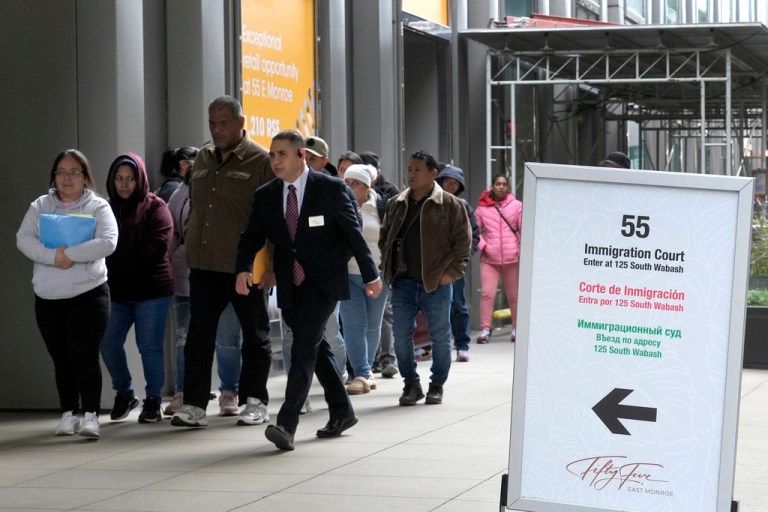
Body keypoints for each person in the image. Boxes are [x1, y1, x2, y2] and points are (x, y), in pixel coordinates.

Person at [235, 130, 383, 451]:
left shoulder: (330, 189)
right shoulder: (267, 194)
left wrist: (370, 275)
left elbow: (353, 235)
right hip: (290, 283)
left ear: (301, 155)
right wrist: (244, 267)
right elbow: (252, 237)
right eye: (272, 155)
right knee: (317, 349)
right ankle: (342, 412)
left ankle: (287, 423)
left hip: (323, 283)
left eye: (282, 154)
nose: (275, 161)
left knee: (303, 345)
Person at [171, 95, 275, 428]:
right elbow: (197, 208)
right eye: (212, 123)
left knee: (255, 336)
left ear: (241, 123)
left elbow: (270, 220)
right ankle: (195, 405)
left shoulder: (259, 160)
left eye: (224, 123)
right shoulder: (202, 156)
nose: (217, 129)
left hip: (243, 267)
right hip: (203, 265)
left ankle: (255, 401)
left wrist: (270, 266)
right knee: (198, 338)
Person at [16, 149, 118, 438]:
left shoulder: (98, 207)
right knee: (61, 358)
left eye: (74, 172)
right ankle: (68, 413)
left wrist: (69, 254)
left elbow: (108, 241)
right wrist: (51, 257)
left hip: (89, 293)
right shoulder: (40, 206)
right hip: (49, 296)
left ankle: (91, 415)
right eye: (61, 172)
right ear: (54, 176)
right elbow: (23, 238)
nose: (67, 178)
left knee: (83, 354)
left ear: (85, 177)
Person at [379, 150, 471, 406]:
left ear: (433, 174)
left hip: (436, 282)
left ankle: (437, 385)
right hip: (403, 281)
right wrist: (390, 266)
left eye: (418, 170)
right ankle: (411, 385)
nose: (412, 174)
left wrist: (451, 273)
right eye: (409, 169)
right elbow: (385, 236)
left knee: (440, 336)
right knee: (400, 336)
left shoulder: (451, 204)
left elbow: (463, 242)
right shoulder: (397, 203)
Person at [164, 157, 243, 417]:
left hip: (224, 274)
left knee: (228, 338)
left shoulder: (228, 191)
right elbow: (173, 232)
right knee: (185, 339)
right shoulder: (181, 194)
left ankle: (229, 392)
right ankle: (183, 392)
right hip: (186, 276)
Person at [100, 153, 174, 423]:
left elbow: (159, 244)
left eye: (130, 178)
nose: (124, 184)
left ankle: (153, 400)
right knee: (108, 342)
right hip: (117, 291)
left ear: (139, 178)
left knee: (149, 346)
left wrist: (119, 260)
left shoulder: (156, 206)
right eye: (119, 179)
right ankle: (124, 392)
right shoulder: (105, 208)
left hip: (151, 290)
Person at [338, 164, 389, 394]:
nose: (349, 187)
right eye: (346, 182)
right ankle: (362, 372)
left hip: (377, 274)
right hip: (347, 274)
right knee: (352, 326)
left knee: (372, 325)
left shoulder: (382, 205)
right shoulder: (339, 204)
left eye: (355, 183)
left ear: (367, 186)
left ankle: (365, 371)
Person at [359, 151, 399, 378]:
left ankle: (387, 358)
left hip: (381, 267)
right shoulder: (348, 195)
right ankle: (368, 362)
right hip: (355, 270)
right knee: (360, 318)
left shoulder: (389, 195)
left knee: (384, 314)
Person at [436, 164, 479, 362]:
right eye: (447, 182)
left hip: (455, 266)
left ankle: (462, 345)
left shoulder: (464, 206)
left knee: (458, 305)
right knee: (431, 306)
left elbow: (475, 235)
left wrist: (464, 257)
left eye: (455, 183)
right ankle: (431, 344)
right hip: (432, 265)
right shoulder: (430, 202)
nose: (451, 186)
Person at [474, 173, 523, 343]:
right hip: (490, 259)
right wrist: (484, 246)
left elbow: (522, 228)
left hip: (512, 258)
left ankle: (517, 328)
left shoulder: (517, 206)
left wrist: (520, 250)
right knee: (487, 294)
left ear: (508, 187)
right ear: (492, 186)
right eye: (498, 184)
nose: (501, 187)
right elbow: (475, 232)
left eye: (504, 184)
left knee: (514, 296)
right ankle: (485, 329)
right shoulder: (482, 209)